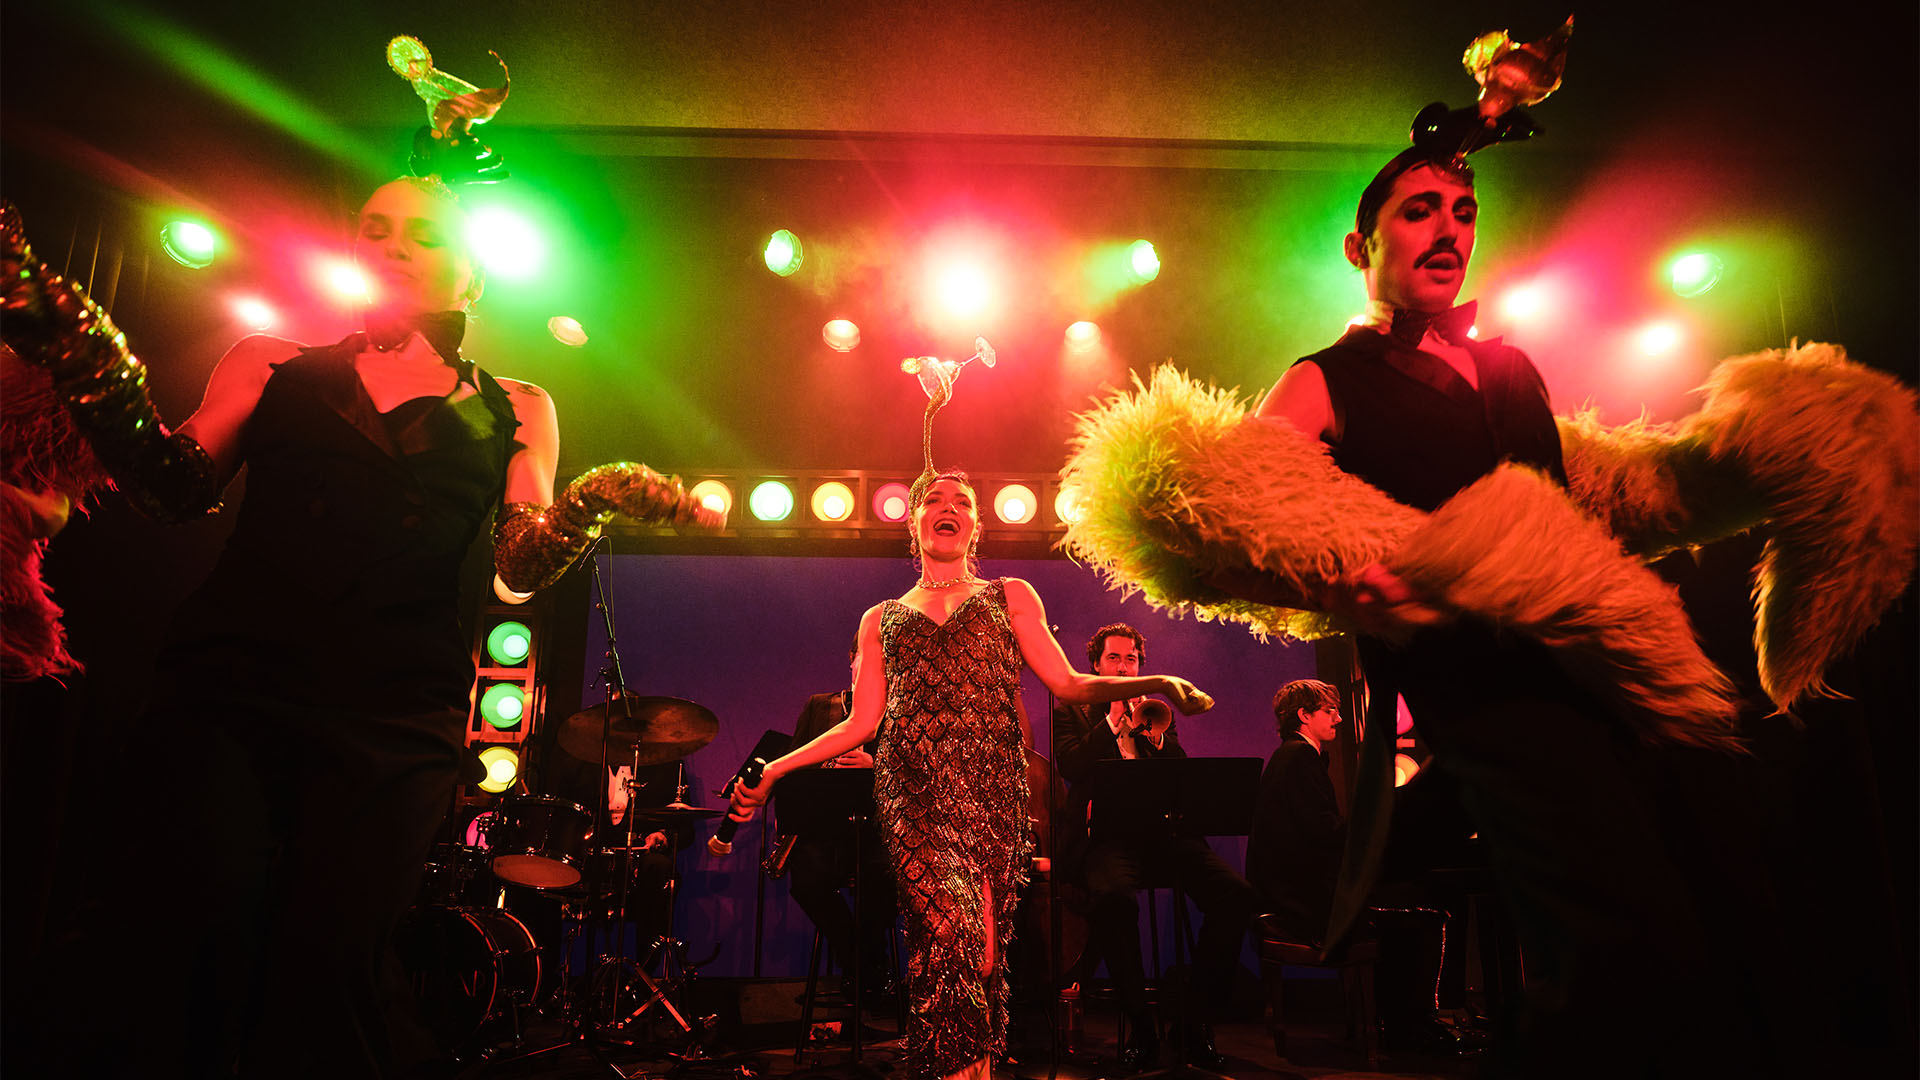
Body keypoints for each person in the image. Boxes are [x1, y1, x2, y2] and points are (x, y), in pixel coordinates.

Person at [2, 172, 718, 1078]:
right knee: (195, 920)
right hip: (231, 690)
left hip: (393, 710)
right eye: (375, 228)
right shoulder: (270, 360)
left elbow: (517, 566)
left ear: (475, 277)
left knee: (332, 954)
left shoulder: (517, 404)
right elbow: (172, 491)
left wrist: (591, 501)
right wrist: (82, 348)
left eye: (420, 231)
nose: (391, 242)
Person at [730, 474, 1212, 1080]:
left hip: (992, 800)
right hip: (914, 798)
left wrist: (1154, 682)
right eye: (935, 500)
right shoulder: (880, 618)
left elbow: (1068, 684)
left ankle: (969, 1070)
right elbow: (859, 722)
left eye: (962, 503)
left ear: (975, 525)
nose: (948, 508)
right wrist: (776, 768)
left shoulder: (1011, 595)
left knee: (979, 958)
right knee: (952, 935)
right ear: (915, 521)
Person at [1054, 622, 1254, 1070]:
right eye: (1114, 659)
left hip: (1164, 834)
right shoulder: (1072, 708)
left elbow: (1179, 770)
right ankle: (1142, 1030)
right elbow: (1071, 764)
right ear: (1095, 664)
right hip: (1105, 838)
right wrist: (1110, 722)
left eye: (1131, 660)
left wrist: (1157, 738)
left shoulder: (1157, 710)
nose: (1124, 668)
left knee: (1235, 895)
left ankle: (1192, 1021)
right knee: (1112, 900)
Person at [779, 646, 898, 1003]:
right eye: (866, 655)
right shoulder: (820, 705)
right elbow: (793, 764)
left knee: (884, 877)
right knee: (806, 881)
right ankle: (865, 964)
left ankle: (860, 969)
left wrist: (873, 763)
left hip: (878, 829)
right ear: (851, 659)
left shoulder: (899, 710)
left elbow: (915, 773)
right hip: (824, 828)